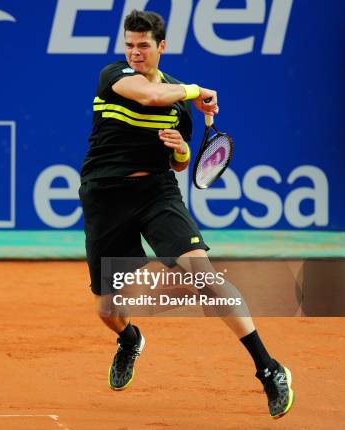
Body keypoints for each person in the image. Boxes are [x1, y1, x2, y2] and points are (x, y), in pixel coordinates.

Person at [78, 9, 294, 419]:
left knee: (204, 276)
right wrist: (197, 90)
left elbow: (180, 163)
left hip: (156, 193)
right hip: (105, 196)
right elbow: (149, 96)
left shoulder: (179, 98)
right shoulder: (115, 75)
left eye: (143, 46)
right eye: (130, 45)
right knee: (107, 309)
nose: (135, 53)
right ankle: (129, 339)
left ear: (161, 47)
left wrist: (179, 147)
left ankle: (268, 368)